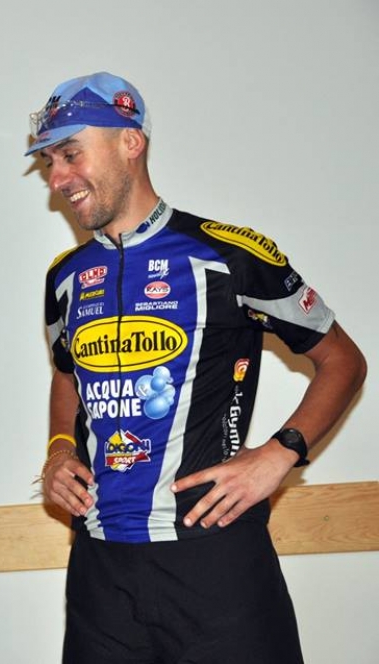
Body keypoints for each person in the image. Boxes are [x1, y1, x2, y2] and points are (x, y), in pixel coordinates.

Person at [28, 72, 367, 663]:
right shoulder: (65, 277)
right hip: (100, 569)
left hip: (215, 558)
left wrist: (280, 453)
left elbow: (343, 360)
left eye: (71, 154)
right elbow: (66, 375)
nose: (57, 179)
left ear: (130, 142)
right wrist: (60, 450)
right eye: (49, 162)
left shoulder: (229, 255)